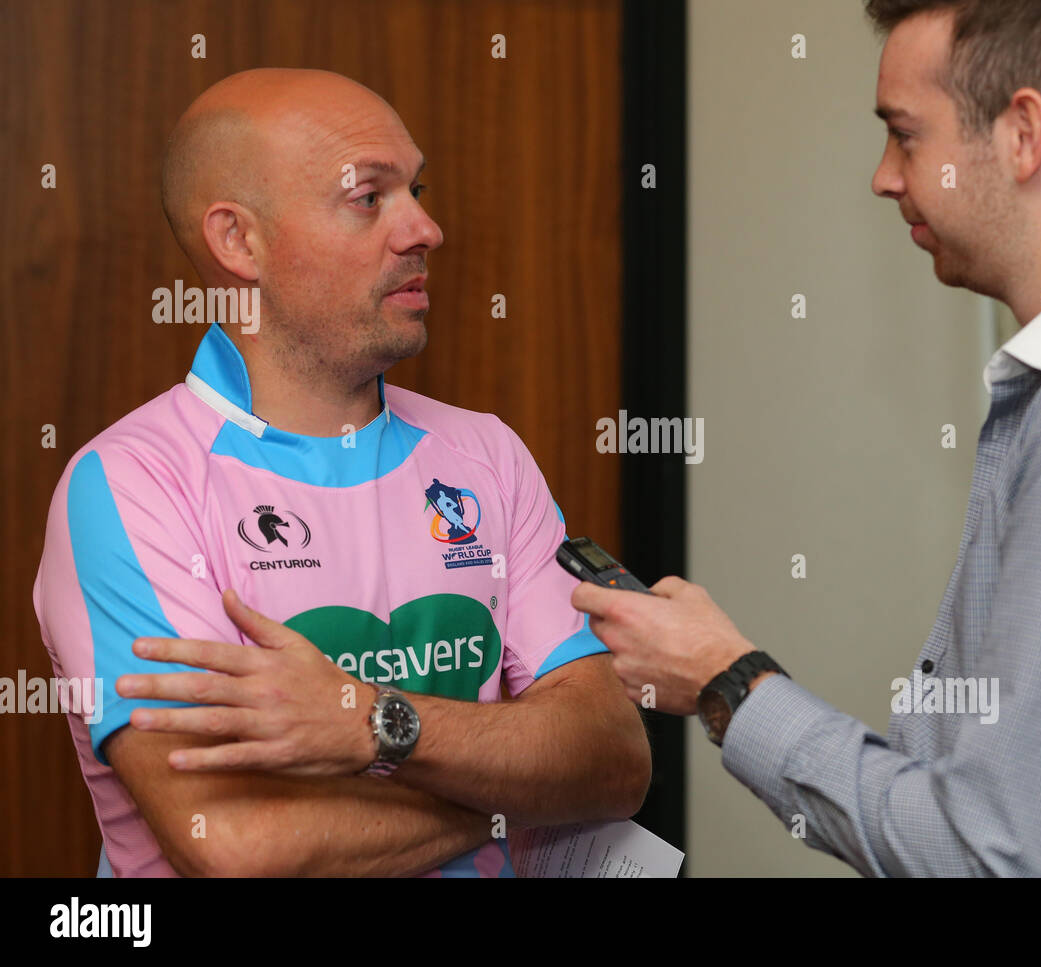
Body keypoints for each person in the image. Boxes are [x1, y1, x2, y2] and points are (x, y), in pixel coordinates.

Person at [573, 0, 1041, 876]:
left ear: (1024, 133)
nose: (883, 175)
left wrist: (731, 683)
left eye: (905, 135)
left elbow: (991, 854)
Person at [33, 68, 651, 877]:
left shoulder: (487, 454)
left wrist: (366, 718)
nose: (425, 227)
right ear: (238, 242)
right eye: (370, 196)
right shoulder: (129, 485)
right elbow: (240, 847)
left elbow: (611, 758)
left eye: (417, 188)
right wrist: (513, 788)